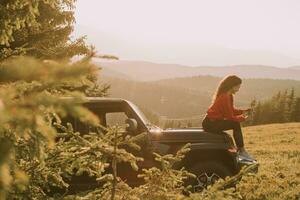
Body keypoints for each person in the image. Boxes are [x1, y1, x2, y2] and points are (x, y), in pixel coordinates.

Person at [202, 75, 254, 160]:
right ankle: (241, 150)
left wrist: (243, 111)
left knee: (235, 123)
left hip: (213, 122)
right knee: (235, 124)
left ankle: (241, 149)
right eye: (238, 87)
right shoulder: (224, 97)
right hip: (210, 123)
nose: (238, 89)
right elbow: (230, 117)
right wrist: (243, 118)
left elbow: (231, 110)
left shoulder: (229, 96)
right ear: (233, 86)